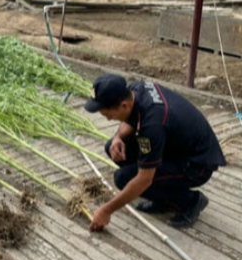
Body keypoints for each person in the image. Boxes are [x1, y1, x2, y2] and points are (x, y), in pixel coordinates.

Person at [85, 74, 226, 231]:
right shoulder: (135, 90)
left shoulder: (152, 126)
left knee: (123, 179)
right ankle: (163, 197)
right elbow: (134, 119)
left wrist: (106, 210)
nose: (108, 120)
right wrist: (118, 136)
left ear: (124, 105)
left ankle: (191, 201)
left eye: (108, 115)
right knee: (113, 146)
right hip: (175, 146)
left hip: (197, 165)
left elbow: (144, 179)